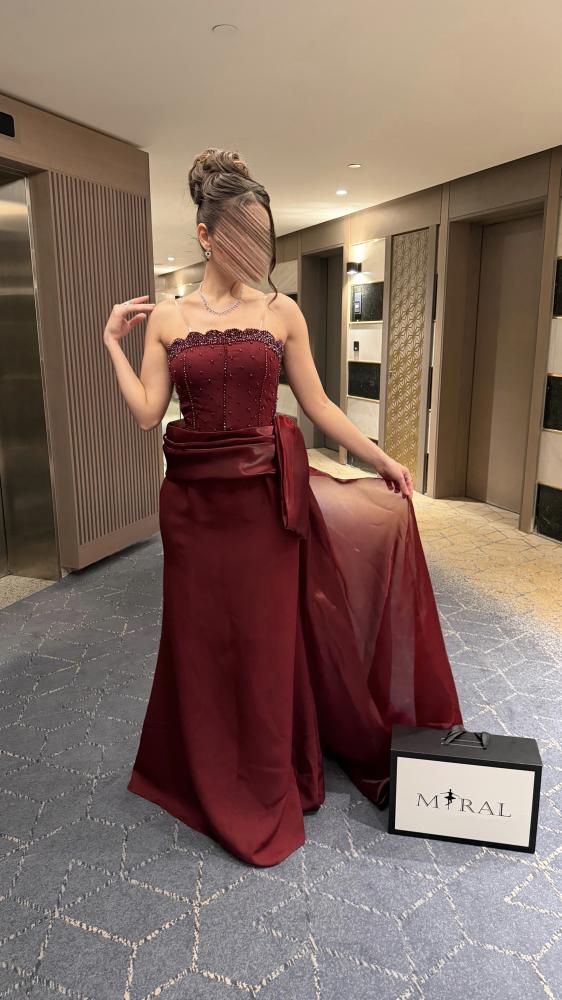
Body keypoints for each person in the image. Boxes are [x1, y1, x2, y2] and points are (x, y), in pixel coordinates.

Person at [103, 147, 463, 868]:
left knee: (266, 642)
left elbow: (319, 405)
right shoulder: (168, 317)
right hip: (194, 513)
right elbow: (147, 413)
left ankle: (267, 775)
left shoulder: (282, 311)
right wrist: (113, 342)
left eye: (262, 238)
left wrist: (381, 459)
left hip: (266, 509)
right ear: (206, 236)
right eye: (241, 236)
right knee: (202, 642)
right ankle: (203, 767)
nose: (254, 251)